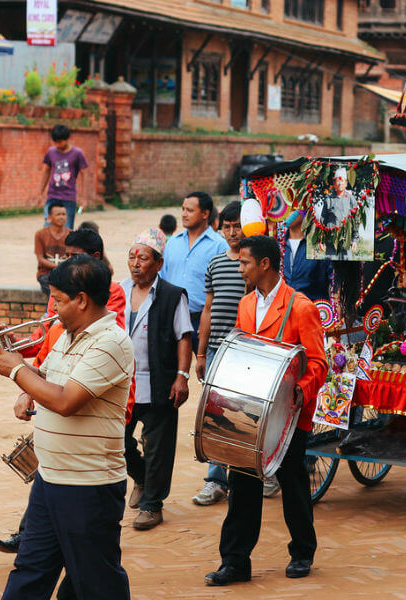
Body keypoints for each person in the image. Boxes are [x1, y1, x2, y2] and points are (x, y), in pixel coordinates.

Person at [0, 255, 133, 600]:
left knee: (97, 582)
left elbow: (67, 401)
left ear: (81, 300)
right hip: (50, 479)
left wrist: (15, 371)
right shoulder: (69, 335)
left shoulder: (111, 342)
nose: (52, 308)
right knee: (30, 572)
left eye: (58, 300)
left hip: (88, 486)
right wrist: (21, 372)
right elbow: (48, 379)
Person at [204, 235, 327, 586]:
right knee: (242, 484)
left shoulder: (301, 307)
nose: (239, 268)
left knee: (292, 481)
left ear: (264, 265)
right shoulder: (246, 305)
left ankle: (302, 551)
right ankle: (235, 561)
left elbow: (318, 362)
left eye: (243, 263)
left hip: (290, 416)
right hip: (252, 412)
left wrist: (299, 394)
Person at [121, 228, 193, 530]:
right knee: (120, 442)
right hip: (123, 385)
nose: (136, 263)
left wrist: (182, 376)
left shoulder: (173, 295)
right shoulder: (118, 291)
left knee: (158, 448)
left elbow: (183, 336)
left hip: (160, 381)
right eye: (132, 257)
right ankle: (140, 475)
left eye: (144, 258)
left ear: (159, 264)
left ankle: (152, 504)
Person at [193, 202, 246, 506]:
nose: (231, 232)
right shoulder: (215, 264)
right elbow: (207, 311)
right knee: (215, 414)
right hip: (216, 350)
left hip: (246, 351)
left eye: (236, 225)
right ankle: (215, 480)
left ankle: (250, 474)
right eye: (226, 226)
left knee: (246, 413)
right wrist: (201, 354)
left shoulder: (255, 261)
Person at [160, 192, 229, 352]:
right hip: (173, 317)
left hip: (203, 320)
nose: (184, 214)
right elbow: (162, 278)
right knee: (170, 370)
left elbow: (223, 289)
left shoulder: (219, 246)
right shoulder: (172, 244)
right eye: (183, 209)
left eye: (190, 210)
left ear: (205, 214)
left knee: (206, 369)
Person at [38, 124, 88, 230]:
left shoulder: (77, 153)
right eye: (55, 142)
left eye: (60, 142)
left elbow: (84, 175)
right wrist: (40, 193)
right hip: (52, 196)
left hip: (68, 197)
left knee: (67, 230)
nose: (58, 145)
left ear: (67, 139)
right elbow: (46, 172)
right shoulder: (51, 152)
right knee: (48, 227)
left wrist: (84, 198)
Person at [283, 211, 331, 301]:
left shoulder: (319, 245)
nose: (288, 213)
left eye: (293, 208)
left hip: (314, 309)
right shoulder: (279, 245)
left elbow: (334, 280)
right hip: (285, 311)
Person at [35, 203, 71, 296]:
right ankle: (53, 309)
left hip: (66, 273)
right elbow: (40, 258)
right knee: (54, 289)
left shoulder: (71, 234)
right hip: (46, 273)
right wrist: (57, 266)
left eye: (64, 214)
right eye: (58, 214)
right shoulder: (40, 234)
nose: (61, 217)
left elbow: (73, 257)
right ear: (50, 217)